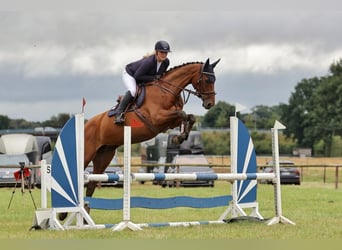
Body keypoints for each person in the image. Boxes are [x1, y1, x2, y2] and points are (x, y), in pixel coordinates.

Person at [115, 40, 171, 124]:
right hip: (130, 74)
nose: (164, 55)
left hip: (143, 76)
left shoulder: (166, 62)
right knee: (133, 91)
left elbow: (159, 77)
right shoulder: (149, 62)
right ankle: (118, 114)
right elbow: (137, 76)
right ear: (156, 52)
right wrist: (154, 78)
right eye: (161, 52)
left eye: (166, 53)